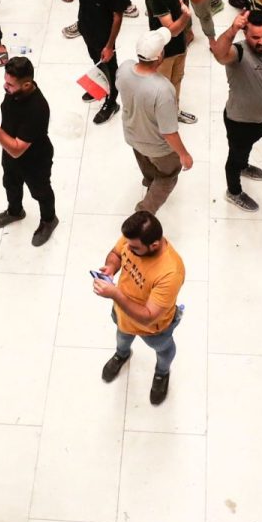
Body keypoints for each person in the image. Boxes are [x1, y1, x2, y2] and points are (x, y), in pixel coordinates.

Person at [93, 207, 185, 404]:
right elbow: (116, 254)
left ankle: (162, 373)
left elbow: (149, 315)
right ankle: (122, 355)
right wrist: (111, 267)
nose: (129, 249)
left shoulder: (171, 272)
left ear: (153, 245)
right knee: (122, 337)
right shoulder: (133, 239)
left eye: (134, 249)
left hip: (153, 329)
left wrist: (115, 294)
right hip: (122, 313)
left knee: (164, 349)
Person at [0, 55, 57, 244]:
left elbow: (17, 150)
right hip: (10, 150)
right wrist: (3, 136)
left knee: (40, 191)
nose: (5, 87)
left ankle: (49, 219)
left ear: (27, 85)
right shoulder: (14, 92)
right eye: (6, 82)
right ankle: (15, 211)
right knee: (10, 183)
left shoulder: (37, 109)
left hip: (34, 159)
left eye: (10, 84)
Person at [119, 29, 190, 211]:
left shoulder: (125, 68)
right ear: (160, 57)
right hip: (158, 147)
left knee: (146, 163)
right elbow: (169, 132)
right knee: (168, 177)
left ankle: (150, 180)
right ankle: (144, 211)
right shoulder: (163, 89)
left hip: (132, 136)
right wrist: (183, 154)